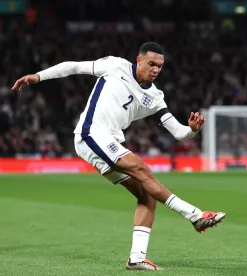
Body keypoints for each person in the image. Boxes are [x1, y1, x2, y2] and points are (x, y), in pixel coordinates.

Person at [11, 42, 226, 271]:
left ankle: (136, 259)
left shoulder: (155, 97)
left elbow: (179, 133)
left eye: (160, 66)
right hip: (91, 133)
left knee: (146, 194)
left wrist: (192, 129)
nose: (155, 70)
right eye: (151, 64)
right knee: (143, 170)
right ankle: (194, 215)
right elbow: (73, 67)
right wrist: (38, 76)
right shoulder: (115, 65)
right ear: (139, 60)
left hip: (111, 141)